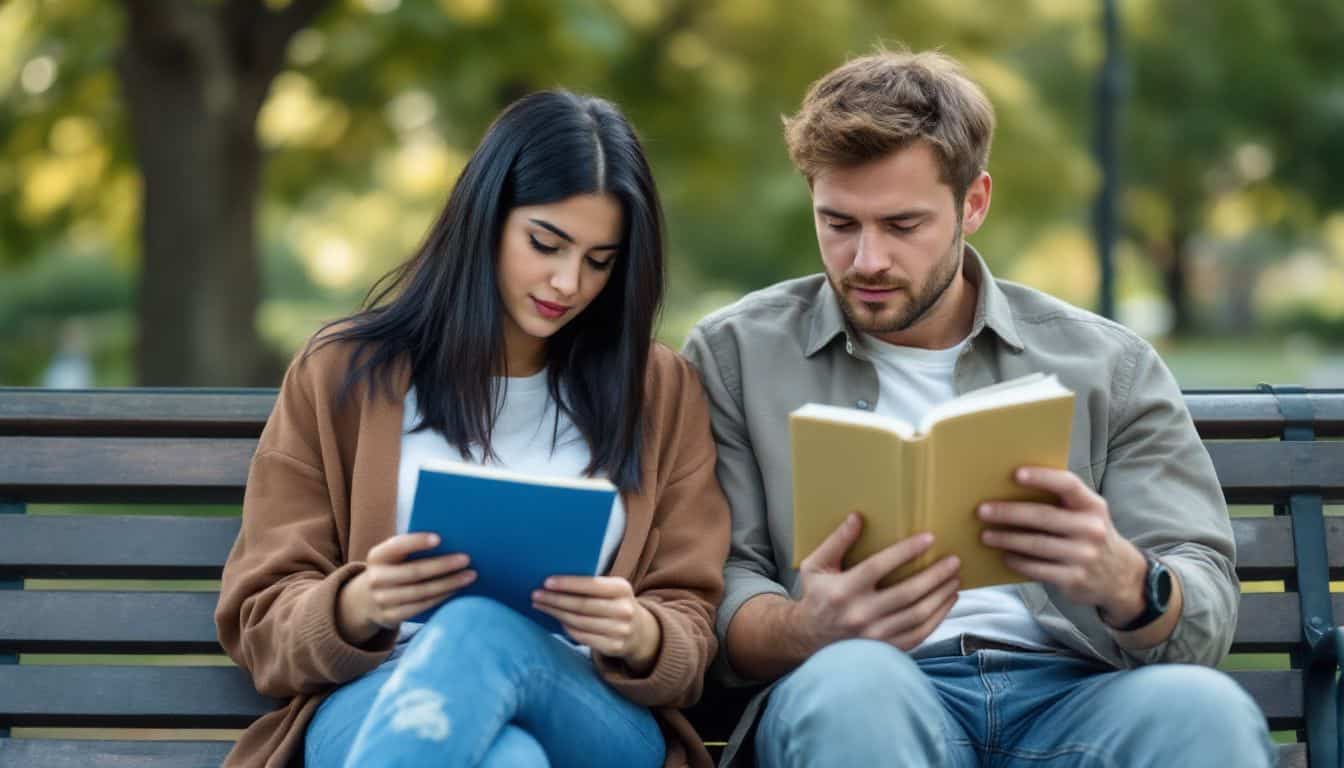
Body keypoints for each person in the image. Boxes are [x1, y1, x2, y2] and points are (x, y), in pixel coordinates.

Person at [681, 49, 1276, 767]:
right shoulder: (735, 355)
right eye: (839, 223)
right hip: (868, 692)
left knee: (1205, 713)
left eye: (903, 226)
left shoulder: (1107, 365)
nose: (866, 260)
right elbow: (717, 585)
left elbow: (1204, 605)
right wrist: (806, 626)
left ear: (975, 202)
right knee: (850, 686)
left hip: (1072, 696)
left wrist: (1126, 580)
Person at [215, 90, 730, 768]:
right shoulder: (345, 373)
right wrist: (358, 603)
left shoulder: (658, 392)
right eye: (545, 243)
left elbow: (690, 619)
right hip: (376, 698)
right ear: (485, 219)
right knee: (507, 759)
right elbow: (261, 616)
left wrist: (641, 633)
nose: (568, 282)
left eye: (600, 261)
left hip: (589, 714)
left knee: (481, 628)